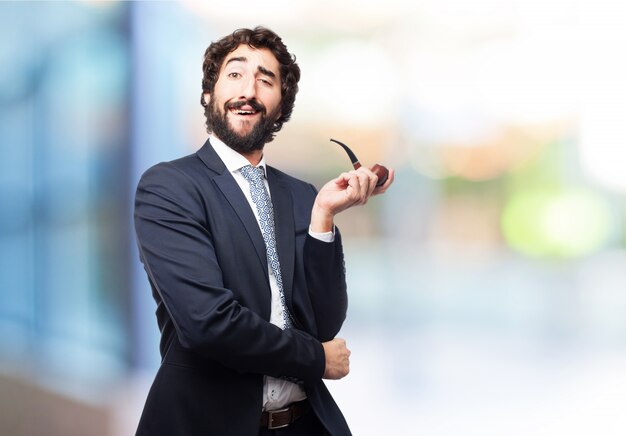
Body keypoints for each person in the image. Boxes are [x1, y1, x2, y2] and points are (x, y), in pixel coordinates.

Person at [134, 26, 394, 436]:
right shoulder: (169, 186)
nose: (249, 90)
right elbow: (209, 323)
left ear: (279, 106)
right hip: (206, 424)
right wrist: (315, 359)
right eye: (235, 74)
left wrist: (323, 217)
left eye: (265, 80)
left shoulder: (300, 194)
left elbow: (323, 325)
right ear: (208, 94)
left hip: (302, 424)